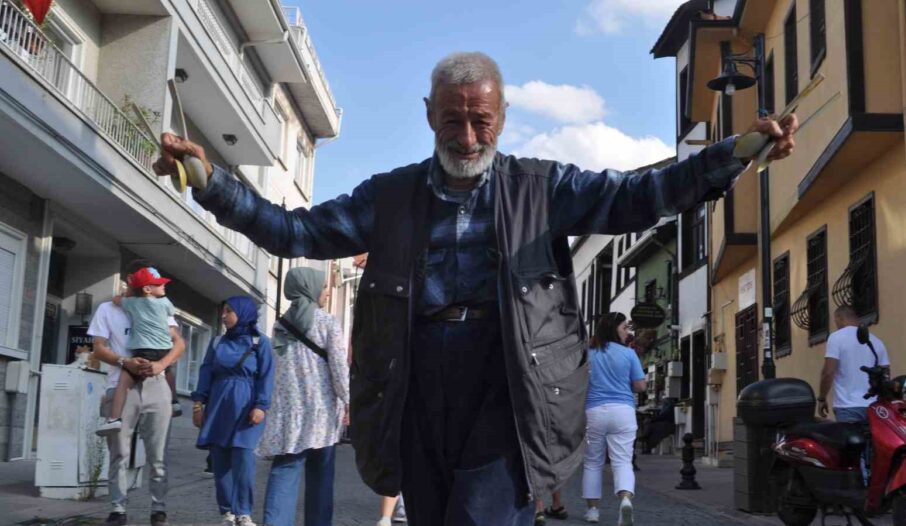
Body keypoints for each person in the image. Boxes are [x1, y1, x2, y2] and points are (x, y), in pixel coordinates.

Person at [153, 51, 798, 526]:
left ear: (503, 118)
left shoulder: (542, 188)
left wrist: (731, 154)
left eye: (481, 122)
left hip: (507, 379)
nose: (466, 138)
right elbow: (292, 230)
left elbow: (639, 196)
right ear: (429, 114)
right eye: (452, 122)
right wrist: (214, 185)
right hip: (413, 378)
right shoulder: (390, 196)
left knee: (481, 517)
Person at [89, 260, 186, 526]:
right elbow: (97, 347)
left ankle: (158, 508)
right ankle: (118, 509)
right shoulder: (108, 309)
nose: (155, 286)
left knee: (158, 454)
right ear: (132, 280)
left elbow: (178, 343)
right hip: (120, 384)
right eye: (151, 282)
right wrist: (124, 362)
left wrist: (160, 366)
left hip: (156, 383)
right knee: (119, 451)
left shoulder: (159, 306)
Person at [258, 268, 350, 526]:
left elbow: (279, 365)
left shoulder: (281, 325)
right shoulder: (328, 322)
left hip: (289, 412)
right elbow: (339, 369)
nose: (326, 292)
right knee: (321, 477)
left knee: (285, 470)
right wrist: (350, 400)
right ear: (309, 288)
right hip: (321, 412)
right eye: (323, 287)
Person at [193, 297, 274, 526]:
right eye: (223, 311)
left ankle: (244, 512)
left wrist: (261, 405)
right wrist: (198, 404)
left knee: (244, 458)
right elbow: (206, 372)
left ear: (243, 313)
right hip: (219, 404)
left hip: (247, 404)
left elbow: (267, 376)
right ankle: (227, 512)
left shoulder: (260, 342)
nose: (223, 315)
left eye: (229, 311)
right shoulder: (217, 342)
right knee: (220, 460)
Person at [582, 312, 646, 526]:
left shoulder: (589, 353)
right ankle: (626, 501)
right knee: (622, 461)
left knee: (592, 462)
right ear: (614, 329)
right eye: (624, 328)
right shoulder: (629, 354)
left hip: (594, 412)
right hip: (623, 412)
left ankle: (592, 511)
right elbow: (640, 386)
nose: (628, 332)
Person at [97, 266, 177, 436]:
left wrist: (126, 362)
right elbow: (98, 349)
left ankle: (114, 419)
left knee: (124, 380)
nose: (163, 286)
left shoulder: (132, 303)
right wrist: (162, 364)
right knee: (169, 370)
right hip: (162, 350)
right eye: (159, 283)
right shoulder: (164, 303)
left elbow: (117, 300)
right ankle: (175, 400)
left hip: (145, 355)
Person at [818, 305, 890, 423]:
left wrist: (822, 398)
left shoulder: (836, 338)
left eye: (835, 321)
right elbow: (886, 374)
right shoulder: (876, 341)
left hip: (847, 407)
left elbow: (828, 373)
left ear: (840, 318)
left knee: (850, 440)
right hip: (875, 407)